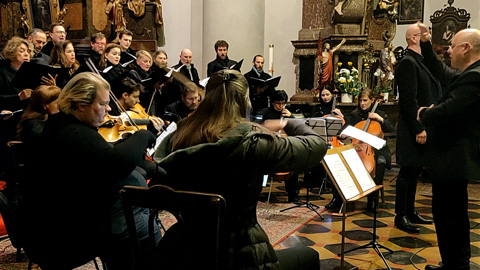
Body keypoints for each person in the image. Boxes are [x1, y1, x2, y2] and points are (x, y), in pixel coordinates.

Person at [152, 69, 325, 269]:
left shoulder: (180, 134)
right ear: (245, 101)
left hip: (187, 251)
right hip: (240, 255)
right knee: (308, 255)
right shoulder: (252, 144)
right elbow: (316, 145)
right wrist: (287, 122)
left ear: (206, 97)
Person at [20, 72, 162, 270]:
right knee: (142, 224)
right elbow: (115, 165)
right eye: (103, 104)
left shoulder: (61, 123)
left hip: (62, 219)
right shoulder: (73, 133)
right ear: (80, 105)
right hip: (61, 234)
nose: (109, 109)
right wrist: (143, 135)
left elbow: (100, 162)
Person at [416, 25, 480, 270]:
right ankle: (454, 263)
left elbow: (448, 111)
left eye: (452, 46)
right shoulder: (468, 73)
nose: (449, 51)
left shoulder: (475, 76)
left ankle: (456, 265)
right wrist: (425, 43)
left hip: (455, 158)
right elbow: (440, 71)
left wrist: (426, 113)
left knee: (449, 217)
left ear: (466, 48)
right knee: (451, 215)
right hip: (452, 159)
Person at [394, 23, 440, 233]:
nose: (428, 37)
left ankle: (410, 211)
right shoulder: (407, 63)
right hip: (412, 127)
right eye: (424, 34)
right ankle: (400, 215)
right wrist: (418, 127)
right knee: (407, 172)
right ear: (414, 38)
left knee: (414, 171)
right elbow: (408, 101)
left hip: (421, 125)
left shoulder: (420, 62)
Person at [343, 89, 395, 212]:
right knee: (342, 161)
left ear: (372, 100)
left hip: (378, 150)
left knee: (380, 163)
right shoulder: (354, 115)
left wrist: (379, 119)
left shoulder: (379, 114)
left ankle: (373, 200)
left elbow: (391, 128)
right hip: (357, 148)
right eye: (360, 100)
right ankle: (346, 198)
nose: (362, 103)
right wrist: (344, 134)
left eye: (365, 100)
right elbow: (344, 130)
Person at [0, 37, 33, 199]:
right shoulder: (2, 70)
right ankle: (12, 194)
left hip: (27, 119)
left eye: (28, 51)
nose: (26, 54)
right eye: (22, 51)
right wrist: (17, 97)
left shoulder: (30, 71)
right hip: (8, 121)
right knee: (12, 163)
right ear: (12, 52)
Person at [259, 89, 302, 205]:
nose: (281, 106)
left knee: (294, 163)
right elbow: (259, 129)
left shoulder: (287, 113)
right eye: (278, 103)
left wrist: (291, 117)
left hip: (284, 146)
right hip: (269, 147)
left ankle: (293, 195)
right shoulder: (265, 113)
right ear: (272, 102)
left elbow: (297, 129)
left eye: (283, 103)